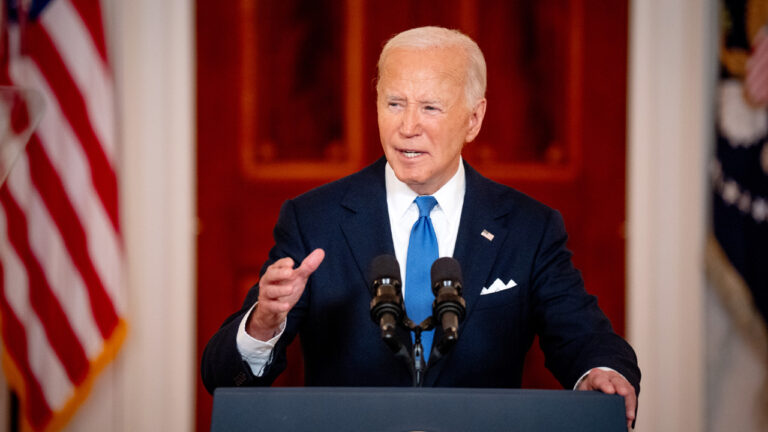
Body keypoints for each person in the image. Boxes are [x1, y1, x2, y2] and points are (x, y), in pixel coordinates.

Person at [202, 26, 640, 428]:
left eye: (430, 107)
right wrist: (263, 322)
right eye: (395, 103)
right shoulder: (314, 219)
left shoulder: (528, 227)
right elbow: (223, 376)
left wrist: (602, 373)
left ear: (474, 119)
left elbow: (585, 337)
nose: (407, 127)